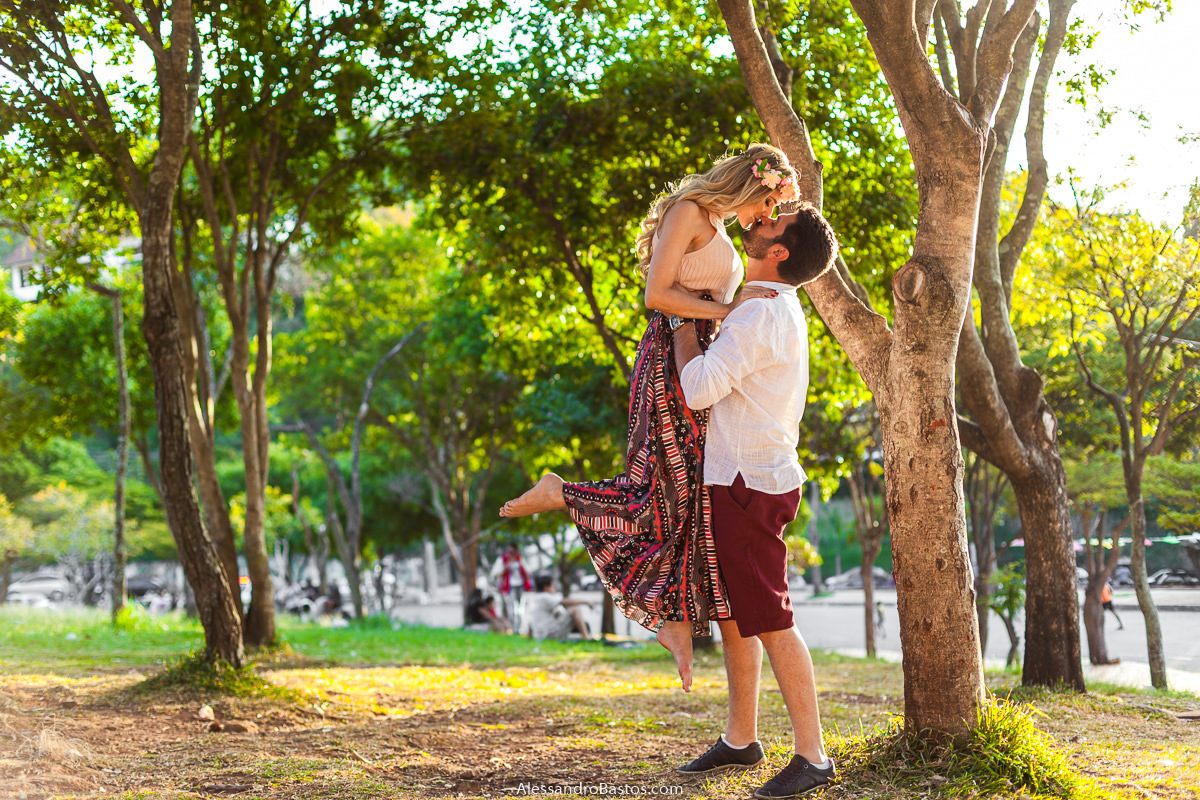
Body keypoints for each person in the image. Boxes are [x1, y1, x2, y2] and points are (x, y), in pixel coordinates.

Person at [500, 144, 800, 691]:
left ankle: (675, 619)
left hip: (699, 361)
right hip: (671, 357)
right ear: (749, 184)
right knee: (656, 493)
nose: (764, 218)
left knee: (688, 504)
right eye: (765, 204)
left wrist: (721, 321)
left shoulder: (720, 224)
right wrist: (724, 312)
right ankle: (564, 493)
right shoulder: (688, 209)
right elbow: (656, 294)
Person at [672, 206, 838, 798]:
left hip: (748, 483)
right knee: (737, 614)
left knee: (769, 619)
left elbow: (697, 390)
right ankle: (741, 739)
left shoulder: (760, 315)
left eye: (773, 222)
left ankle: (812, 756)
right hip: (743, 476)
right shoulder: (765, 305)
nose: (762, 218)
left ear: (780, 252)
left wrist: (681, 324)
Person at [518, 574, 595, 641]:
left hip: (539, 635)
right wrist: (586, 602)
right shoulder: (545, 596)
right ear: (546, 587)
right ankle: (586, 637)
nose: (554, 588)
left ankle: (584, 635)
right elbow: (565, 601)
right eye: (553, 585)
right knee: (574, 609)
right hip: (547, 634)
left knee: (566, 614)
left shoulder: (535, 598)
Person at [491, 542, 532, 627]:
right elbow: (496, 574)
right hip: (508, 587)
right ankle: (512, 627)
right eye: (510, 552)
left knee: (520, 608)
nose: (512, 554)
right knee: (511, 608)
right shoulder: (502, 559)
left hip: (520, 585)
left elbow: (527, 572)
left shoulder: (520, 558)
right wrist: (506, 569)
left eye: (513, 552)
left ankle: (519, 626)